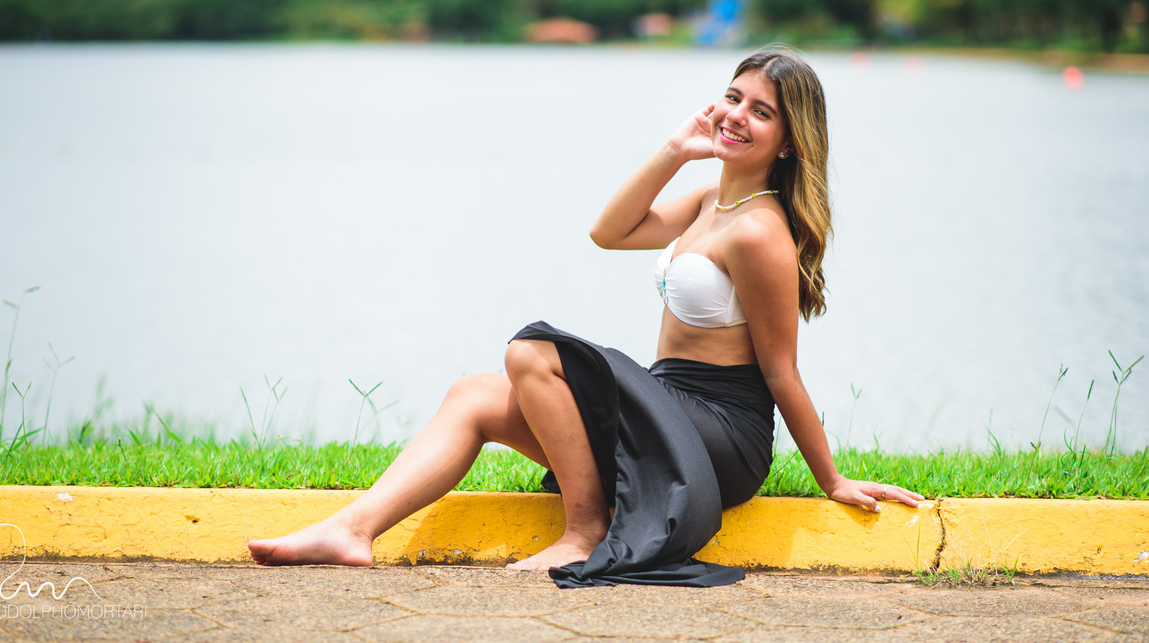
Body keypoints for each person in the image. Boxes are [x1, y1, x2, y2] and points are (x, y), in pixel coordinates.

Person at [247, 48, 923, 587]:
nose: (737, 115)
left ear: (789, 142)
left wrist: (832, 479)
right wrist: (675, 149)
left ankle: (584, 531)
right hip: (667, 410)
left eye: (762, 111)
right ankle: (353, 531)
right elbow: (609, 232)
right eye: (733, 97)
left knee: (532, 352)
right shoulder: (709, 204)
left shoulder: (758, 232)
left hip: (718, 437)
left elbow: (780, 372)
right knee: (474, 395)